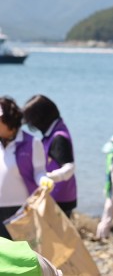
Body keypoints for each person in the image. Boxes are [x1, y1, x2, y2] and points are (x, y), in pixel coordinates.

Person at [0, 96, 54, 240]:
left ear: (9, 120)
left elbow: (39, 171)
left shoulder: (32, 143)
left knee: (20, 254)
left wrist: (44, 180)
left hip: (21, 210)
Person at [22, 94, 78, 218]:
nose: (32, 125)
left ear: (41, 118)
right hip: (61, 196)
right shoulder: (53, 130)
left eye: (32, 121)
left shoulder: (58, 137)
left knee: (54, 237)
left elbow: (69, 168)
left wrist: (46, 178)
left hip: (60, 198)